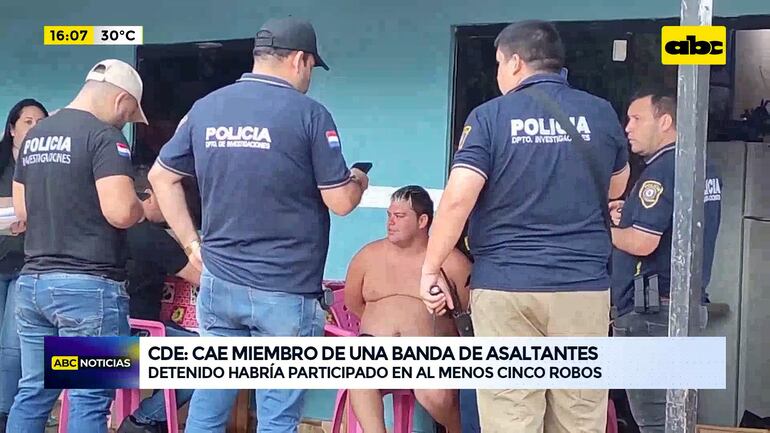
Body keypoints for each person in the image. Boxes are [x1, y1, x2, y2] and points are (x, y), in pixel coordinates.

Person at [148, 17, 369, 433]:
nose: (309, 78)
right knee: (277, 419)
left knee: (208, 405)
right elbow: (340, 201)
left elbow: (161, 176)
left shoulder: (206, 108)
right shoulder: (309, 114)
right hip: (285, 291)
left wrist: (192, 245)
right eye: (311, 68)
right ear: (300, 60)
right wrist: (357, 179)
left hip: (219, 284)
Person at [419, 20, 630, 433]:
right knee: (579, 417)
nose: (498, 74)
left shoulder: (489, 118)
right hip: (582, 289)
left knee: (511, 416)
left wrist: (430, 268)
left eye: (499, 64)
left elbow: (459, 199)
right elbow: (617, 186)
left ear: (515, 62)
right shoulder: (600, 113)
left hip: (506, 289)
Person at [8, 59, 147, 433]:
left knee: (34, 390)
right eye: (130, 114)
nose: (126, 122)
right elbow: (121, 212)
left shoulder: (35, 135)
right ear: (121, 101)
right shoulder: (105, 137)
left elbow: (23, 210)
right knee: (90, 395)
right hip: (89, 288)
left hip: (32, 284)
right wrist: (142, 208)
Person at [609, 88, 722, 433]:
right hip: (686, 308)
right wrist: (628, 214)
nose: (628, 127)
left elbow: (643, 242)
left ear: (665, 121)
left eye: (636, 118)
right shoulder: (702, 165)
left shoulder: (660, 170)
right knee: (678, 419)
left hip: (652, 312)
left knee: (655, 422)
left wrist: (597, 229)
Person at [344, 185, 470, 433]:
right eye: (389, 215)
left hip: (430, 353)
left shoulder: (452, 262)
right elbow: (353, 303)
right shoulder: (367, 256)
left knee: (433, 392)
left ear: (422, 221)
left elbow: (470, 316)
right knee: (357, 369)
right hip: (375, 348)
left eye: (400, 216)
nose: (391, 222)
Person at [117, 172, 200, 433]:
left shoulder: (109, 229)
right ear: (152, 197)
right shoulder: (151, 237)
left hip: (88, 344)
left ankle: (151, 421)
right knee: (210, 358)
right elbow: (202, 278)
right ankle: (144, 421)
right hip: (133, 341)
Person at [0, 98, 48, 432]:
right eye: (27, 122)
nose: (34, 128)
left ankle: (5, 412)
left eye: (40, 122)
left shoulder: (48, 163)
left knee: (12, 346)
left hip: (29, 263)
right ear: (12, 129)